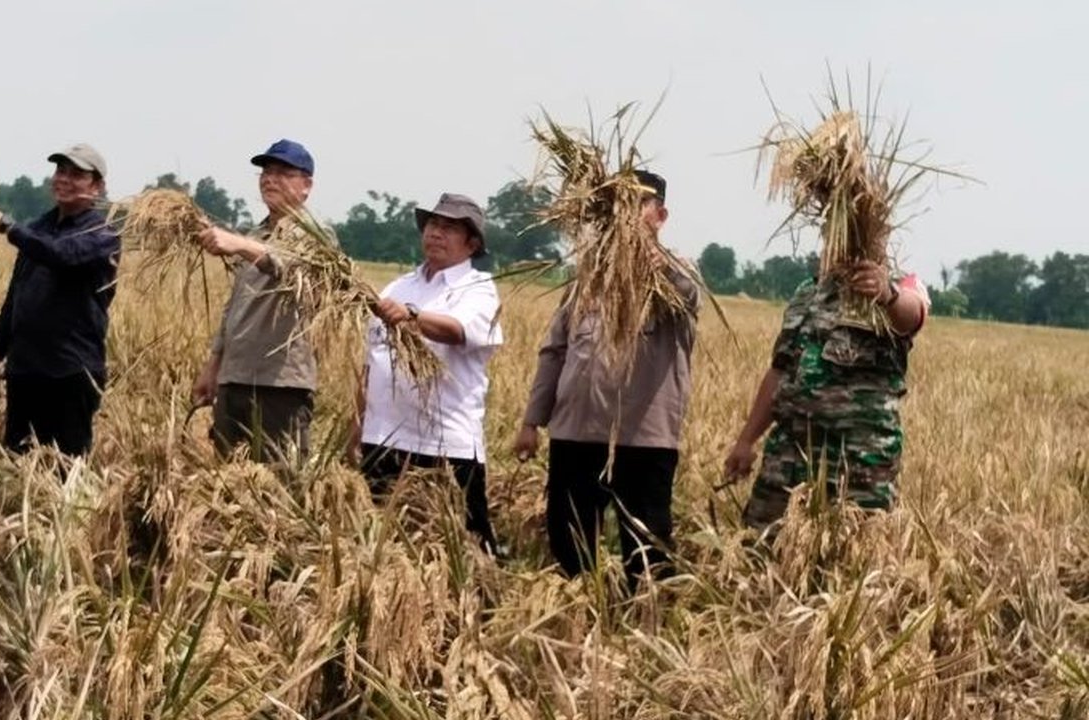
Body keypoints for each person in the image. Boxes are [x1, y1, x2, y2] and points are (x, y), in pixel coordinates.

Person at [513, 170, 698, 590]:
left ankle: (641, 630)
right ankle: (578, 617)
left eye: (636, 205)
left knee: (646, 547)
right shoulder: (587, 280)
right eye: (615, 204)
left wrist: (660, 269)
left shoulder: (676, 275)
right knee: (569, 538)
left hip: (641, 440)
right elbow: (555, 351)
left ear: (660, 215)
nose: (624, 215)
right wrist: (531, 421)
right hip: (575, 433)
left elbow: (688, 294)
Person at [723, 260, 930, 531]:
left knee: (853, 556)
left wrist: (886, 294)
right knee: (760, 552)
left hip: (857, 468)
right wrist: (746, 440)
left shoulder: (895, 284)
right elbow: (780, 371)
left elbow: (912, 315)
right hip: (788, 458)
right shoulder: (807, 291)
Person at [356, 193, 503, 554]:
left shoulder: (479, 290)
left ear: (472, 243)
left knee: (462, 549)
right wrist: (357, 428)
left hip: (443, 445)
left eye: (450, 228)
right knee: (383, 547)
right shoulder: (398, 286)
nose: (437, 232)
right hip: (384, 440)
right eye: (433, 224)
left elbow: (457, 330)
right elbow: (370, 362)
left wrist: (412, 316)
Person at [0, 144, 120, 456]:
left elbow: (62, 255)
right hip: (25, 371)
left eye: (76, 174)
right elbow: (15, 301)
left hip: (71, 372)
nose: (64, 179)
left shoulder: (103, 234)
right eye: (61, 171)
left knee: (65, 468)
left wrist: (7, 225)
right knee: (18, 464)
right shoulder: (38, 229)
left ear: (97, 186)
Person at [191, 139, 322, 463]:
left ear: (306, 185)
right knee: (226, 485)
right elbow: (233, 309)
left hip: (279, 387)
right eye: (265, 172)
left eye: (282, 172)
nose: (269, 179)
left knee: (276, 492)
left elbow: (291, 267)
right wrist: (214, 366)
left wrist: (238, 244)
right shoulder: (256, 235)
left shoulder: (316, 236)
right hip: (234, 380)